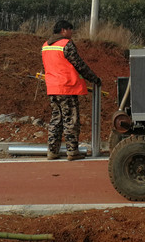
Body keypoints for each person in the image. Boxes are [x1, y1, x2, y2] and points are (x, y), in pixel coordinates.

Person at [41, 20, 101, 161]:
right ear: (63, 30)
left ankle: (52, 151)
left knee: (56, 120)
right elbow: (79, 64)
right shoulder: (65, 44)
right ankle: (72, 152)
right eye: (70, 29)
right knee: (71, 120)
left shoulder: (45, 46)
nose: (71, 32)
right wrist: (93, 78)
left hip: (53, 88)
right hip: (66, 88)